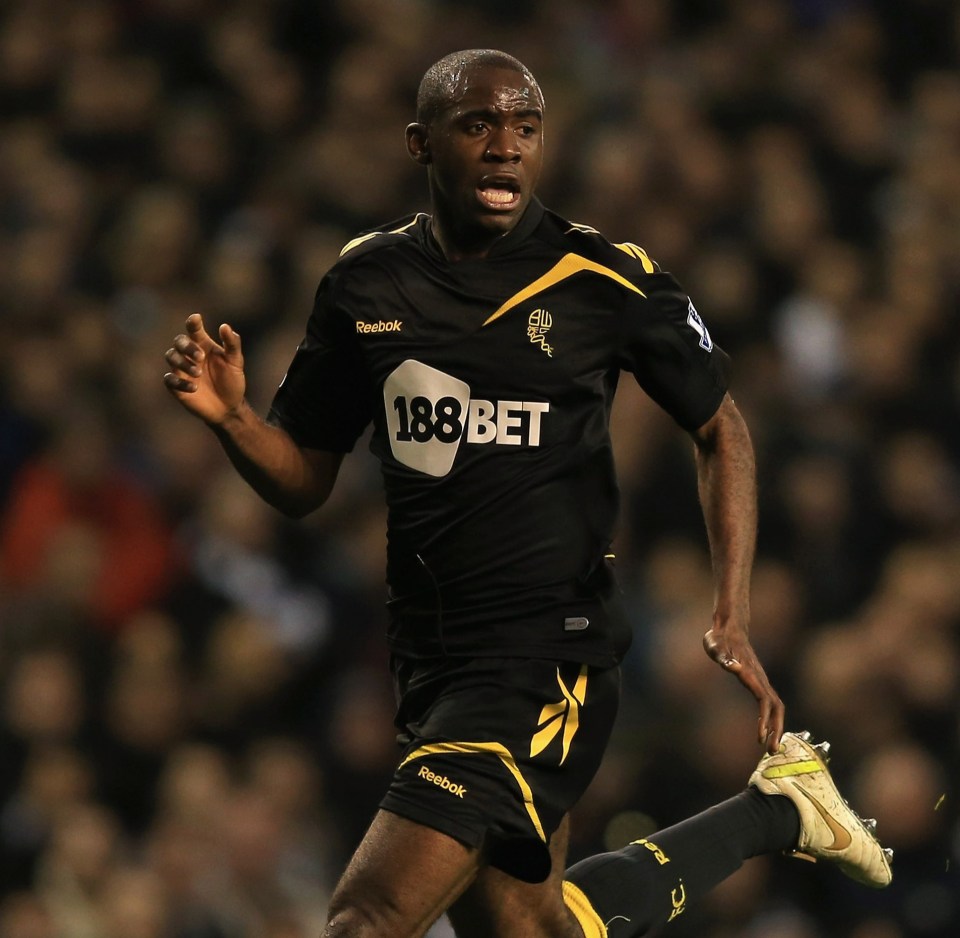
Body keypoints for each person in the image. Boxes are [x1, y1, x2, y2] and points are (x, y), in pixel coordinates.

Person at [163, 49, 892, 938]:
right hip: (429, 662)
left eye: (526, 128)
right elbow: (305, 479)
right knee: (538, 929)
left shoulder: (599, 278)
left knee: (368, 917)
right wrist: (236, 421)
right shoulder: (365, 282)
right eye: (479, 126)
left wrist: (730, 609)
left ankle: (782, 812)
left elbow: (721, 427)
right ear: (420, 143)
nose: (506, 147)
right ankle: (780, 812)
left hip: (548, 659)